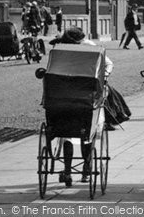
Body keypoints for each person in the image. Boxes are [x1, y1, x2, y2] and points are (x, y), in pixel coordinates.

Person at [48, 27, 119, 187]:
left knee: (69, 133)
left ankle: (72, 170)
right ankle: (80, 169)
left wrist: (102, 78)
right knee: (85, 131)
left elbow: (107, 64)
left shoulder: (87, 46)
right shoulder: (65, 47)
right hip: (79, 95)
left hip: (75, 95)